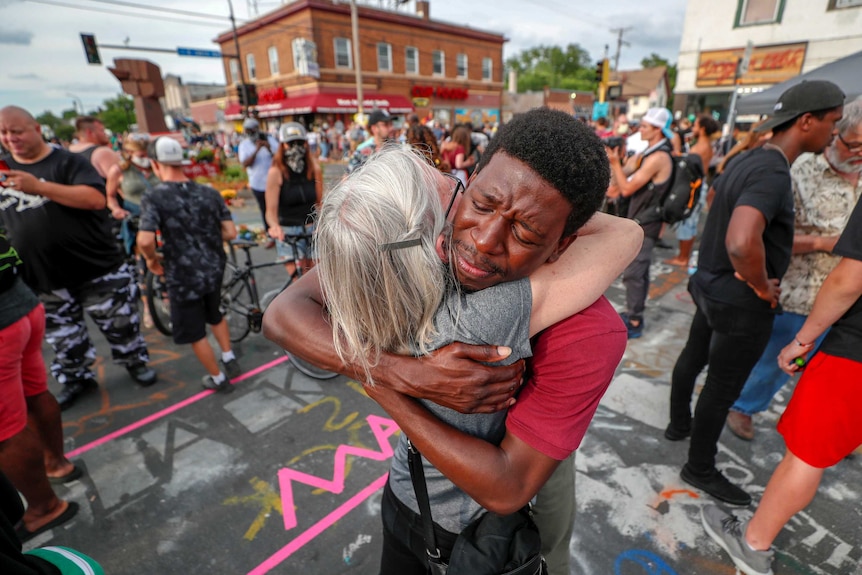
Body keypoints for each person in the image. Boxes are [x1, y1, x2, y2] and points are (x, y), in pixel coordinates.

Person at [264, 108, 642, 574]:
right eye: (480, 202)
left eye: (525, 231)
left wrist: (384, 383)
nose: (482, 241)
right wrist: (401, 374)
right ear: (472, 178)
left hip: (478, 524)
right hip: (417, 495)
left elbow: (511, 485)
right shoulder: (418, 247)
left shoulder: (582, 329)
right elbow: (625, 231)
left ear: (564, 243)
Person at [666, 81, 845, 507]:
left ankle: (677, 425)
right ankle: (700, 467)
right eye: (833, 124)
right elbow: (741, 241)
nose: (834, 134)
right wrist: (763, 284)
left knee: (693, 358)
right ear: (807, 121)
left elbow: (721, 211)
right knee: (721, 389)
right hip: (739, 301)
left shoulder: (749, 159)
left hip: (710, 286)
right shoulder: (771, 170)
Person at [702, 191, 862, 575]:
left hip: (853, 353)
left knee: (805, 457)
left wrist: (804, 339)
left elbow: (849, 279)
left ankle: (754, 543)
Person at [0, 106, 156, 411]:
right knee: (64, 339)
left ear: (36, 128)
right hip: (44, 277)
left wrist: (39, 187)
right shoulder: (3, 169)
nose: (10, 138)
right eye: (4, 133)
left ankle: (134, 362)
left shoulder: (68, 161)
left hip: (96, 268)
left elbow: (95, 199)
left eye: (16, 131)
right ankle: (76, 378)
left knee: (121, 324)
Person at [726, 98, 862, 440]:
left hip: (851, 303)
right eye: (855, 144)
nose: (859, 153)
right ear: (836, 135)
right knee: (777, 361)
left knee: (831, 372)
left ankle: (827, 428)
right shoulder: (801, 172)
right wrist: (821, 243)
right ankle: (745, 406)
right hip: (801, 292)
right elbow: (766, 235)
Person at [137, 137, 241, 393]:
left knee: (194, 331)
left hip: (183, 274)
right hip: (214, 266)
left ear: (155, 163)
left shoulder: (154, 196)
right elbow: (230, 232)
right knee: (215, 313)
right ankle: (228, 356)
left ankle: (217, 378)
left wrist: (151, 259)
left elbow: (145, 239)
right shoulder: (209, 192)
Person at [0, 233, 79, 543]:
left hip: (5, 321)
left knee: (5, 432)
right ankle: (57, 464)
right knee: (34, 393)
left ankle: (45, 507)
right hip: (23, 305)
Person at [605, 107, 675, 339]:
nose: (640, 129)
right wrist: (615, 163)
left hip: (647, 222)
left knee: (635, 272)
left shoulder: (659, 157)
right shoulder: (647, 152)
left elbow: (626, 189)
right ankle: (635, 312)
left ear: (658, 130)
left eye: (645, 126)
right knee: (639, 273)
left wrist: (615, 163)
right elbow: (622, 176)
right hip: (640, 219)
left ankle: (635, 320)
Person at [264, 122, 322, 276]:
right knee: (299, 285)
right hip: (289, 232)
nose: (296, 147)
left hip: (312, 229)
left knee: (318, 281)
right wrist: (274, 226)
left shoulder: (313, 169)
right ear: (283, 146)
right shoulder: (276, 172)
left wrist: (325, 222)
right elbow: (270, 211)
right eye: (291, 144)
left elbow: (320, 203)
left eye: (300, 143)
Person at [666, 114, 721, 267]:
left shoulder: (702, 146)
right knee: (689, 221)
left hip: (694, 187)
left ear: (702, 129)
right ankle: (683, 255)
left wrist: (679, 155)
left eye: (696, 125)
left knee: (687, 221)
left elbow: (691, 163)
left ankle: (683, 257)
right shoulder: (704, 144)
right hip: (696, 185)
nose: (693, 128)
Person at [238, 118, 278, 248]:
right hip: (258, 184)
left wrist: (268, 148)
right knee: (265, 210)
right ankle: (271, 235)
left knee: (278, 209)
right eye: (248, 130)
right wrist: (257, 149)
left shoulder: (270, 140)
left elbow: (279, 159)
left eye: (253, 129)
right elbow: (245, 163)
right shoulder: (244, 145)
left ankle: (282, 234)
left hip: (275, 183)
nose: (251, 132)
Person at [67, 116, 119, 180]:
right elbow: (124, 184)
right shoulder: (102, 152)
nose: (105, 134)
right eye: (101, 130)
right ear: (89, 132)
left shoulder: (66, 152)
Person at [346, 109, 393, 174]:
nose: (391, 128)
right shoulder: (362, 150)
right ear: (374, 128)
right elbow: (348, 177)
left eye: (391, 124)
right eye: (385, 125)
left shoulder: (396, 149)